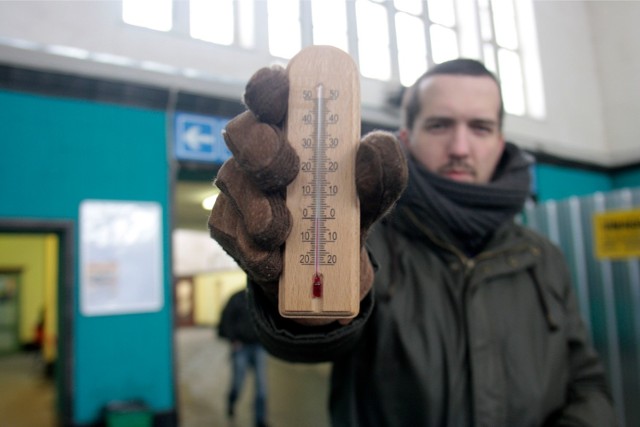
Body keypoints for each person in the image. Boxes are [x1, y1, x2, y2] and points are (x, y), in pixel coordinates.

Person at [209, 57, 616, 426]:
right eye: (440, 125)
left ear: (499, 141)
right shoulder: (362, 241)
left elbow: (586, 382)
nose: (460, 148)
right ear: (406, 136)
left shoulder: (543, 257)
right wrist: (303, 299)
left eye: (480, 127)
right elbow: (312, 343)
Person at [218, 289, 269, 427]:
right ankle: (231, 402)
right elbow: (226, 319)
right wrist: (233, 340)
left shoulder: (262, 298)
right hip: (241, 347)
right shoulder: (237, 298)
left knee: (261, 387)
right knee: (237, 383)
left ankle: (260, 420)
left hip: (259, 347)